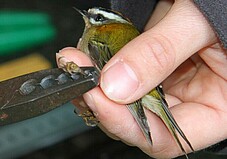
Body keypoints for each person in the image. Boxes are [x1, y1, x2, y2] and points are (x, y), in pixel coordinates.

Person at [57, 0, 227, 158]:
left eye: (98, 18)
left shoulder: (99, 33)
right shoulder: (119, 31)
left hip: (133, 91)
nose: (90, 18)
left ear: (108, 23)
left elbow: (113, 74)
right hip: (150, 89)